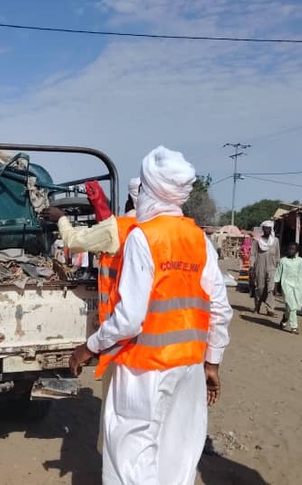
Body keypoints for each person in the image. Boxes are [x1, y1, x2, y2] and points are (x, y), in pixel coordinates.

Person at [69, 146, 233, 485]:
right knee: (177, 459)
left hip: (143, 369)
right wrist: (212, 362)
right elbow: (220, 307)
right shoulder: (199, 239)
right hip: (188, 369)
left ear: (151, 190)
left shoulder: (144, 238)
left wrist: (90, 346)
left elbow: (129, 318)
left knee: (130, 459)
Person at [41, 177, 141, 454]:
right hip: (166, 348)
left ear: (130, 201)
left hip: (122, 340)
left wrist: (61, 218)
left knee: (120, 420)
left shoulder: (118, 228)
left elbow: (73, 241)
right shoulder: (164, 231)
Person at [274, 242, 302, 334]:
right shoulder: (283, 261)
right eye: (289, 249)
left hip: (297, 285)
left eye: (293, 249)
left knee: (293, 305)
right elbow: (278, 274)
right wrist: (275, 288)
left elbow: (301, 273)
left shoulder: (300, 260)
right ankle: (294, 327)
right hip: (286, 285)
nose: (290, 251)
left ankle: (285, 317)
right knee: (292, 305)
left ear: (296, 251)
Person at [250, 220, 280, 315]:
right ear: (262, 229)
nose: (267, 230)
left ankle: (270, 309)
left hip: (272, 267)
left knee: (270, 288)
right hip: (259, 267)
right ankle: (257, 305)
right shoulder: (257, 241)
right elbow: (253, 254)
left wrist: (278, 269)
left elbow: (277, 256)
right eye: (265, 228)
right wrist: (251, 266)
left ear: (271, 229)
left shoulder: (275, 241)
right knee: (260, 288)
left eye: (269, 228)